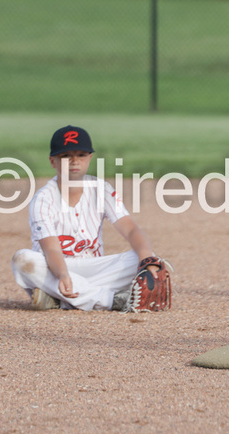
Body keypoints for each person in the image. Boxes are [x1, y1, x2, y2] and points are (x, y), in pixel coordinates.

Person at [11, 125, 166, 312]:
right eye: (66, 156)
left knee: (144, 256)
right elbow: (51, 248)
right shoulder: (43, 199)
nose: (75, 161)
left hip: (93, 269)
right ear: (53, 161)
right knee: (23, 260)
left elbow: (131, 229)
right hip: (55, 269)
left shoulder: (101, 190)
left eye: (81, 155)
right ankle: (112, 300)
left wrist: (147, 261)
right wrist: (62, 275)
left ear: (89, 158)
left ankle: (60, 298)